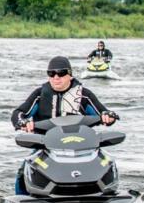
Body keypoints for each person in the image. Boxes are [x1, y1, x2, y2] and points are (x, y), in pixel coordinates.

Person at [10, 56, 117, 193]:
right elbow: (19, 113)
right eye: (51, 73)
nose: (56, 77)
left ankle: (107, 194)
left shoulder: (84, 95)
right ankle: (22, 199)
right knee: (24, 170)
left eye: (61, 73)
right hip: (47, 148)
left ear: (70, 75)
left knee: (107, 164)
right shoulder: (39, 95)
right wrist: (23, 122)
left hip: (83, 147)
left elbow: (102, 112)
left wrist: (108, 117)